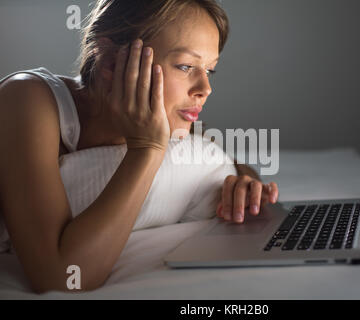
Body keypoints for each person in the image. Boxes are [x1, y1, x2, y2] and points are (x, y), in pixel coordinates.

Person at [0, 0, 278, 293]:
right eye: (185, 66)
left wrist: (245, 183)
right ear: (110, 62)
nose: (205, 89)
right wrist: (146, 150)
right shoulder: (27, 99)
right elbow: (64, 277)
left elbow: (222, 159)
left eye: (210, 70)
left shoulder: (168, 120)